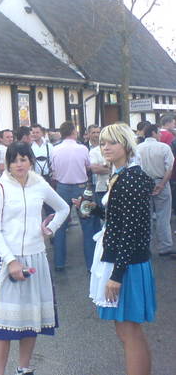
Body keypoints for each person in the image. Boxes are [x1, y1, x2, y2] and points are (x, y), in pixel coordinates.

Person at [0, 142, 69, 375]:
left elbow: (63, 208)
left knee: (31, 319)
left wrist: (50, 228)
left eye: (23, 159)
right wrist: (11, 261)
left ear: (30, 160)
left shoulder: (39, 184)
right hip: (8, 261)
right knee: (2, 325)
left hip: (36, 257)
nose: (19, 164)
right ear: (7, 163)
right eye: (14, 160)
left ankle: (24, 368)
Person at [85, 123, 155, 375]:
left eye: (111, 142)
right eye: (102, 142)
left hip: (127, 264)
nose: (105, 147)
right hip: (125, 260)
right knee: (128, 330)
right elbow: (119, 218)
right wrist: (95, 209)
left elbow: (132, 231)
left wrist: (116, 275)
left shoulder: (130, 179)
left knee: (128, 331)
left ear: (125, 145)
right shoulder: (124, 175)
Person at [50, 121, 91, 271]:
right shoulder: (82, 149)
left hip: (62, 188)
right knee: (87, 226)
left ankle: (59, 263)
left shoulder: (55, 149)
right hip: (81, 188)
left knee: (60, 226)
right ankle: (90, 264)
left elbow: (53, 169)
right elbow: (88, 166)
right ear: (74, 131)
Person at [137, 124, 175, 256]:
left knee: (145, 216)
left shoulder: (138, 148)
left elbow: (135, 168)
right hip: (161, 180)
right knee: (163, 216)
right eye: (158, 132)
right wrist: (162, 184)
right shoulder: (164, 147)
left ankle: (145, 246)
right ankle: (165, 246)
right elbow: (169, 168)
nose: (160, 135)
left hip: (143, 184)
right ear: (153, 133)